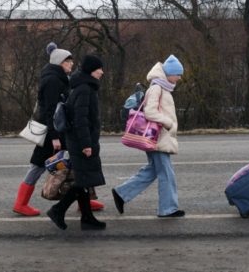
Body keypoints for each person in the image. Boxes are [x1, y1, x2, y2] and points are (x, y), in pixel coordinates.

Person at [12, 43, 104, 216]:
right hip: (51, 133)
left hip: (59, 131)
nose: (71, 64)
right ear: (59, 62)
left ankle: (85, 201)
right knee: (38, 166)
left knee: (76, 164)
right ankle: (20, 203)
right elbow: (50, 110)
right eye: (68, 62)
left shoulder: (60, 78)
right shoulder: (52, 81)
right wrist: (54, 137)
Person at [111, 54, 185, 218]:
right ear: (169, 73)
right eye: (177, 74)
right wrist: (168, 123)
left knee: (153, 171)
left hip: (158, 137)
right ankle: (168, 209)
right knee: (166, 173)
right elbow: (150, 112)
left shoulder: (161, 87)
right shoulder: (157, 88)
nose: (179, 78)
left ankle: (122, 193)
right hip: (157, 138)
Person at [47, 55, 107, 230]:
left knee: (85, 180)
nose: (102, 72)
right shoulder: (84, 89)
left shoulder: (84, 87)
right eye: (99, 69)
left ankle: (87, 218)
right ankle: (58, 210)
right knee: (83, 180)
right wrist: (86, 145)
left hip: (81, 140)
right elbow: (80, 120)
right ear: (91, 70)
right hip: (81, 142)